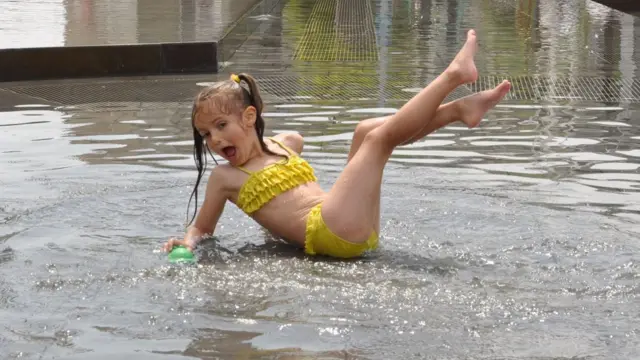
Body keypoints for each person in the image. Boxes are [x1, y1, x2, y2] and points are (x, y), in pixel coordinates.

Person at [162, 29, 511, 259]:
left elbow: (294, 140)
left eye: (221, 125)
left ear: (250, 118)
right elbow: (203, 227)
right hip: (328, 234)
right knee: (378, 141)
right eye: (207, 134)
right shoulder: (224, 178)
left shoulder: (283, 145)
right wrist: (189, 241)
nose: (216, 139)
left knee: (364, 131)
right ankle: (453, 76)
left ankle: (457, 110)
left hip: (351, 224)